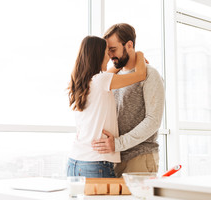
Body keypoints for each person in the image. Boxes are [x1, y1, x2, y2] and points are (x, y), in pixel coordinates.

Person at [67, 35, 147, 178]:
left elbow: (108, 75)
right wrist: (138, 54)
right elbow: (141, 74)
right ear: (98, 55)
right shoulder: (102, 80)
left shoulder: (82, 82)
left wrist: (121, 63)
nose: (110, 57)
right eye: (106, 52)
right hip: (96, 162)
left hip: (75, 162)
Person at [91, 23, 165, 177]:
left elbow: (153, 120)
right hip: (113, 157)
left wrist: (118, 144)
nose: (110, 56)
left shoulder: (150, 75)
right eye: (108, 51)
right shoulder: (113, 77)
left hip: (139, 156)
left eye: (113, 49)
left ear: (129, 45)